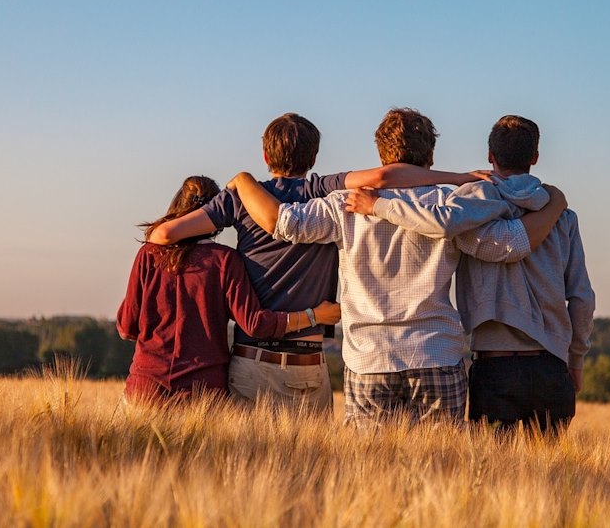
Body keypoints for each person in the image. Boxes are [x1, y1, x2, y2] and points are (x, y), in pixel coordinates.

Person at [228, 108, 568, 427]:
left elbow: (284, 223)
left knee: (370, 473)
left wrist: (243, 181)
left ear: (381, 156)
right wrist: (554, 205)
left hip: (369, 359)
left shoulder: (344, 204)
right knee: (441, 472)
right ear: (431, 157)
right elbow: (508, 245)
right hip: (436, 353)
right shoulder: (451, 205)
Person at [148, 113, 489, 412]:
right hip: (312, 363)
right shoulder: (322, 190)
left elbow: (163, 236)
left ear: (265, 155)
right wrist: (458, 178)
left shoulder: (241, 198)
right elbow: (385, 179)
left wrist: (239, 185)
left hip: (254, 359)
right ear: (313, 157)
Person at [346, 115, 595, 434]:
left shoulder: (468, 207)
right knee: (548, 479)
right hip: (552, 366)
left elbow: (440, 222)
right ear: (534, 158)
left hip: (494, 368)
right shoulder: (562, 216)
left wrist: (379, 206)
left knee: (492, 476)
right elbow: (583, 299)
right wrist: (575, 360)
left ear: (490, 156)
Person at [117, 175, 341, 404]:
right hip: (203, 393)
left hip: (145, 389)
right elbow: (255, 324)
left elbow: (127, 328)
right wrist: (314, 316)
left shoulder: (148, 255)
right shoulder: (225, 260)